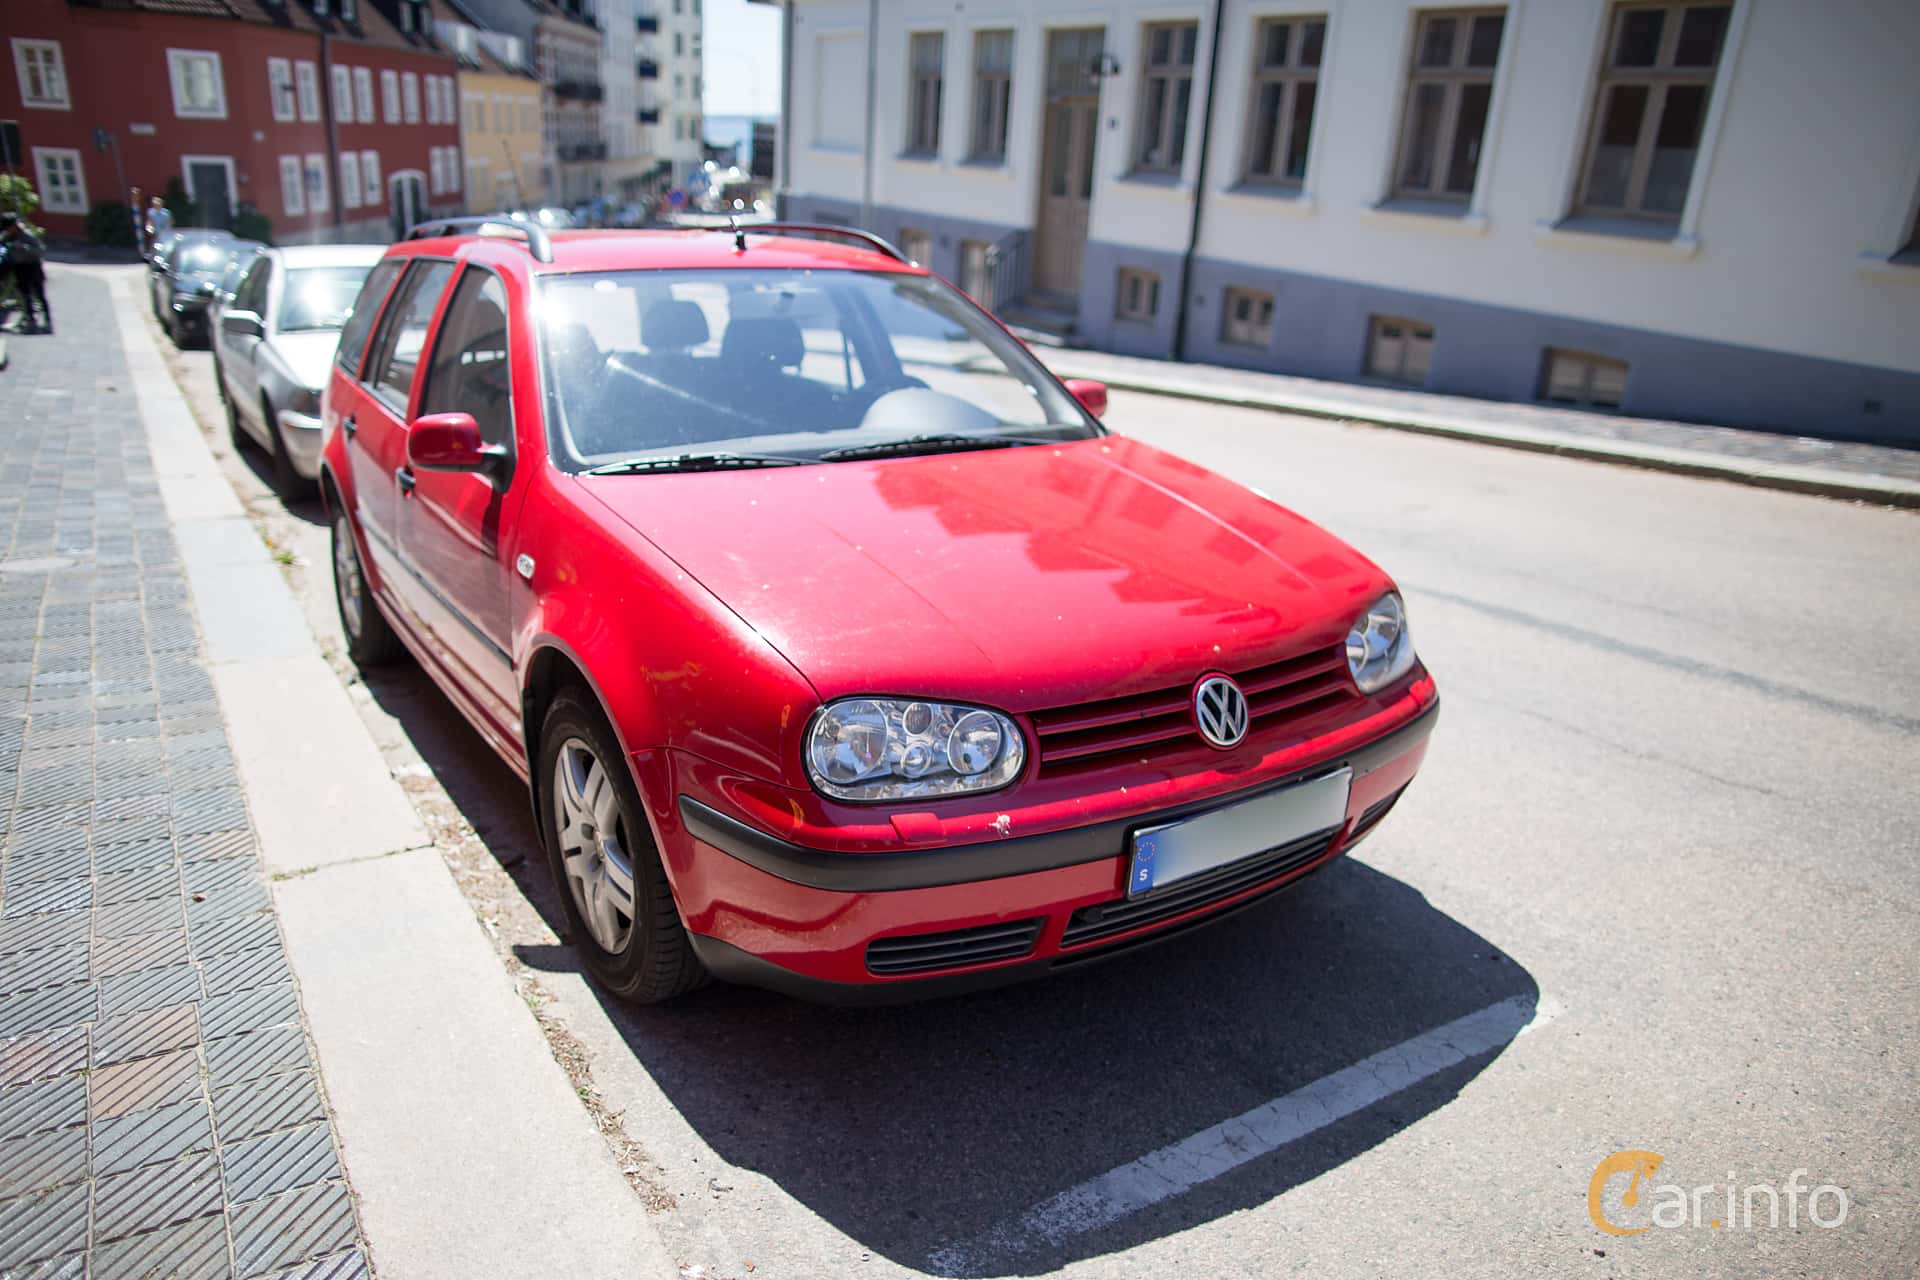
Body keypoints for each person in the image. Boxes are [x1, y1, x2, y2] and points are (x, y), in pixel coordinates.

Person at [0, 213, 50, 332]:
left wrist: (23, 247)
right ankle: (29, 320)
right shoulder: (7, 236)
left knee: (39, 295)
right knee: (25, 295)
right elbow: (3, 249)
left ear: (14, 226)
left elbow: (40, 250)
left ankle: (47, 322)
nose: (8, 231)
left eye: (9, 228)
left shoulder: (27, 235)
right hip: (20, 268)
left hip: (33, 267)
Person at [129, 186, 145, 255]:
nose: (135, 197)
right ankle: (140, 252)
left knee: (141, 238)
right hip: (135, 226)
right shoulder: (131, 207)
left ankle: (142, 252)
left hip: (140, 226)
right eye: (133, 195)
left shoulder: (142, 205)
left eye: (136, 195)